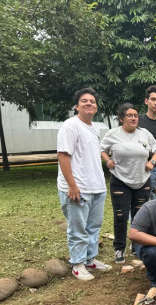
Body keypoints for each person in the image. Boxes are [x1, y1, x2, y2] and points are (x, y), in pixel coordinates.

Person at [57, 87, 111, 281]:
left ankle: (89, 259)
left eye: (93, 101)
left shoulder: (95, 128)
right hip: (77, 187)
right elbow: (63, 155)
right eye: (84, 101)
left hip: (96, 186)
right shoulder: (70, 126)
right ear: (76, 106)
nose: (89, 103)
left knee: (93, 226)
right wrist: (72, 185)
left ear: (96, 107)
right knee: (78, 227)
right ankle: (77, 263)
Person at [101, 103, 156, 264]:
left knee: (139, 216)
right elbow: (102, 149)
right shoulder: (113, 134)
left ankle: (136, 246)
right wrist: (107, 160)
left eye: (135, 115)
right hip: (120, 181)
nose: (134, 118)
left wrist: (153, 162)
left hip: (142, 181)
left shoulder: (144, 134)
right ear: (121, 118)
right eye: (129, 115)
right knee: (120, 216)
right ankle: (119, 249)